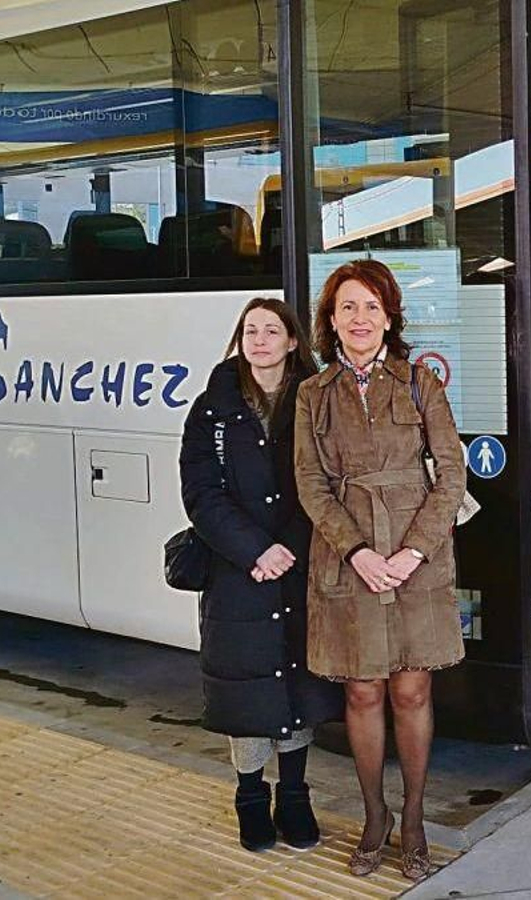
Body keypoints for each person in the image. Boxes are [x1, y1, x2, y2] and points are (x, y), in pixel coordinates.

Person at [293, 260, 466, 882]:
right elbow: (311, 485)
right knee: (362, 690)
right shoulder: (313, 395)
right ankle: (375, 817)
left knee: (411, 689)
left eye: (370, 307)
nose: (359, 319)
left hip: (416, 557)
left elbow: (451, 474)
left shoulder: (421, 383)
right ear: (330, 322)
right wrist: (359, 552)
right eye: (346, 308)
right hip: (350, 561)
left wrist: (412, 552)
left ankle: (414, 820)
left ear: (389, 316)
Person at [178, 297, 343, 853]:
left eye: (272, 331)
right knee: (246, 687)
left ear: (293, 342)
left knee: (297, 681)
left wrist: (288, 548)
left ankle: (294, 796)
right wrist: (255, 551)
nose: (260, 340)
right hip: (237, 570)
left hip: (298, 567)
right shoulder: (211, 409)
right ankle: (250, 797)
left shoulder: (316, 402)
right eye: (251, 330)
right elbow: (201, 493)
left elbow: (327, 484)